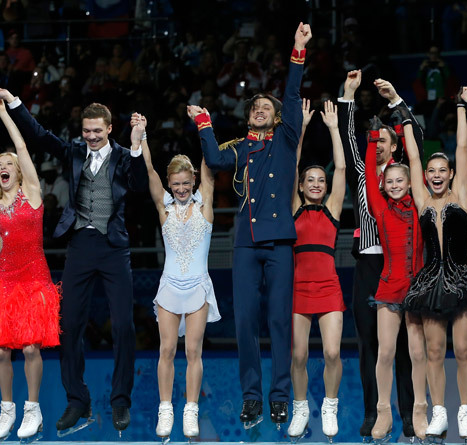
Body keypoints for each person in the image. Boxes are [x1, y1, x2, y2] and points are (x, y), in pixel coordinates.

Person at [0, 81, 148, 435]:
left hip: (114, 247)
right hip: (79, 246)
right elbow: (38, 135)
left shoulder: (123, 155)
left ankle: (120, 400)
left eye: (97, 131)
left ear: (109, 129)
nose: (91, 136)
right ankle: (77, 400)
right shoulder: (73, 152)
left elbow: (137, 184)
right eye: (86, 131)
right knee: (68, 326)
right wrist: (11, 100)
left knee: (123, 326)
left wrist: (137, 145)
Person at [188, 22, 312, 429]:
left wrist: (297, 49)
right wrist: (205, 123)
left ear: (278, 118)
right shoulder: (238, 149)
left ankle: (280, 397)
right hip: (245, 243)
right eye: (255, 106)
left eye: (267, 107)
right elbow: (214, 161)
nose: (260, 108)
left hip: (279, 244)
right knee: (245, 324)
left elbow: (291, 94)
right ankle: (252, 398)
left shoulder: (287, 138)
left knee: (278, 322)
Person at [0, 94, 61, 442]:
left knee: (31, 347)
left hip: (35, 279)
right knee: (1, 349)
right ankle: (8, 409)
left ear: (18, 170)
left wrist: (3, 112)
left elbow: (20, 144)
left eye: (9, 163)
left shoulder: (32, 192)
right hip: (5, 281)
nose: (3, 166)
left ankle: (32, 409)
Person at [403, 87, 467, 441]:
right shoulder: (422, 199)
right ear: (426, 175)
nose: (436, 174)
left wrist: (460, 107)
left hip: (462, 279)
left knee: (461, 349)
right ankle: (438, 411)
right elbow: (412, 158)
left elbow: (461, 147)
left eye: (443, 170)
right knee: (434, 350)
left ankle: (464, 411)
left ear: (451, 173)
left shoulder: (459, 195)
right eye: (432, 170)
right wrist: (404, 119)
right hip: (430, 283)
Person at [337, 71, 420, 441]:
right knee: (371, 344)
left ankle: (409, 416)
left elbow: (415, 134)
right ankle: (374, 414)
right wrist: (349, 94)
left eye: (388, 139)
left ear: (396, 146)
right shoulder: (362, 171)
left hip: (404, 265)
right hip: (370, 264)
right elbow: (348, 137)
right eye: (378, 139)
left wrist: (396, 101)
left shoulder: (408, 177)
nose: (382, 144)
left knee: (407, 347)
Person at [129, 113, 221, 441]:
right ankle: (165, 408)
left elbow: (209, 163)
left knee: (193, 352)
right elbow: (149, 169)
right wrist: (141, 135)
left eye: (186, 183)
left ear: (194, 180)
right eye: (176, 184)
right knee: (166, 349)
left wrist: (203, 125)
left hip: (197, 286)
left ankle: (191, 411)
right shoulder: (164, 206)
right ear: (170, 184)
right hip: (169, 287)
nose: (181, 189)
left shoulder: (205, 202)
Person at [362, 86, 427, 443]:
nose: (397, 184)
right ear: (384, 186)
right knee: (385, 352)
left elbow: (415, 163)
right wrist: (373, 139)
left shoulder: (417, 204)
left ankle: (419, 409)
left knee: (417, 353)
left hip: (416, 287)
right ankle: (383, 411)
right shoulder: (380, 206)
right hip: (388, 286)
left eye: (402, 180)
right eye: (391, 181)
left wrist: (403, 129)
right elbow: (372, 173)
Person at [287, 99, 346, 441]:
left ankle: (330, 404)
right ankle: (300, 407)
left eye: (320, 180)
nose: (315, 183)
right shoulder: (294, 208)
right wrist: (304, 128)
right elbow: (292, 166)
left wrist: (334, 129)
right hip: (298, 288)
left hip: (328, 287)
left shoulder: (332, 209)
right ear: (301, 185)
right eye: (310, 180)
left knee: (332, 352)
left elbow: (340, 169)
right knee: (298, 355)